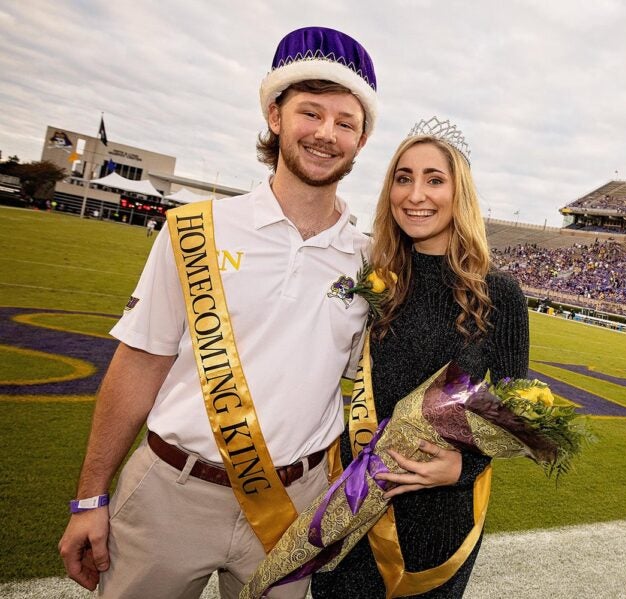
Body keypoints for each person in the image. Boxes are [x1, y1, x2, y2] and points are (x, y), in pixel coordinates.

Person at [58, 26, 379, 599]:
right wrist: (90, 497)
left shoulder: (372, 262)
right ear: (275, 116)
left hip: (291, 510)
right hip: (169, 493)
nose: (326, 134)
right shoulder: (194, 229)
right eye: (311, 113)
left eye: (346, 122)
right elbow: (139, 363)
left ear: (360, 141)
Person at [311, 118, 530, 598]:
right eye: (403, 178)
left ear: (460, 193)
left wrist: (463, 469)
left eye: (435, 179)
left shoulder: (501, 294)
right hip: (351, 495)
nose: (416, 194)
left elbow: (515, 413)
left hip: (439, 515)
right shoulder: (377, 279)